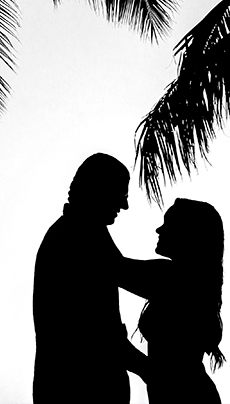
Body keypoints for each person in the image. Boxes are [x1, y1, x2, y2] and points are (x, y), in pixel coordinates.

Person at [32, 153, 147, 403]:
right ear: (99, 190)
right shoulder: (77, 235)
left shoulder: (84, 231)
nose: (125, 205)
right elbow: (97, 334)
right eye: (121, 194)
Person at [120, 199, 224, 404]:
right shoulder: (190, 281)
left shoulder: (173, 278)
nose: (159, 229)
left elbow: (111, 267)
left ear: (188, 234)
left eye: (168, 224)